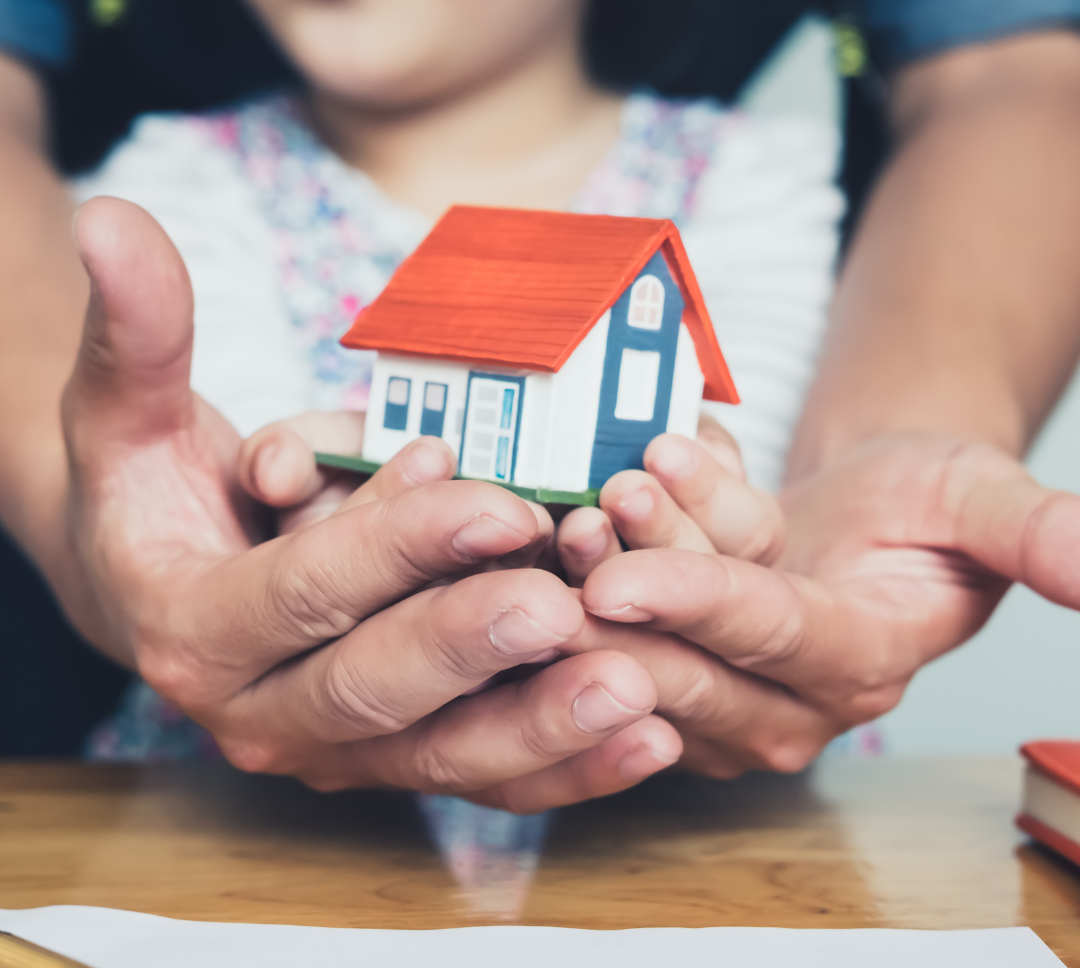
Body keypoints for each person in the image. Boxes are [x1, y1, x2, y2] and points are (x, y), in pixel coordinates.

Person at [2, 1, 1080, 804]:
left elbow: (727, 474)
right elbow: (247, 487)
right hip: (243, 826)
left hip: (694, 840)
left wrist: (708, 524)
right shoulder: (175, 172)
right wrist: (297, 513)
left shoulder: (751, 177)